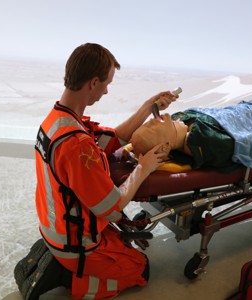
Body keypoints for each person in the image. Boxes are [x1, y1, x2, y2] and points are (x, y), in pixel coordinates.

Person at [30, 43, 178, 299]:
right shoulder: (76, 144)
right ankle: (70, 277)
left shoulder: (57, 120)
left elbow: (114, 138)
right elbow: (112, 208)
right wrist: (143, 168)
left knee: (122, 245)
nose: (107, 91)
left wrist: (148, 106)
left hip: (58, 229)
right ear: (94, 82)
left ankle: (68, 262)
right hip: (75, 245)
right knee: (141, 269)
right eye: (107, 83)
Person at [131, 101, 252, 171]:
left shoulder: (179, 123)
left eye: (148, 123)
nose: (152, 121)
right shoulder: (205, 145)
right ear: (164, 147)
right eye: (151, 128)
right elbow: (247, 140)